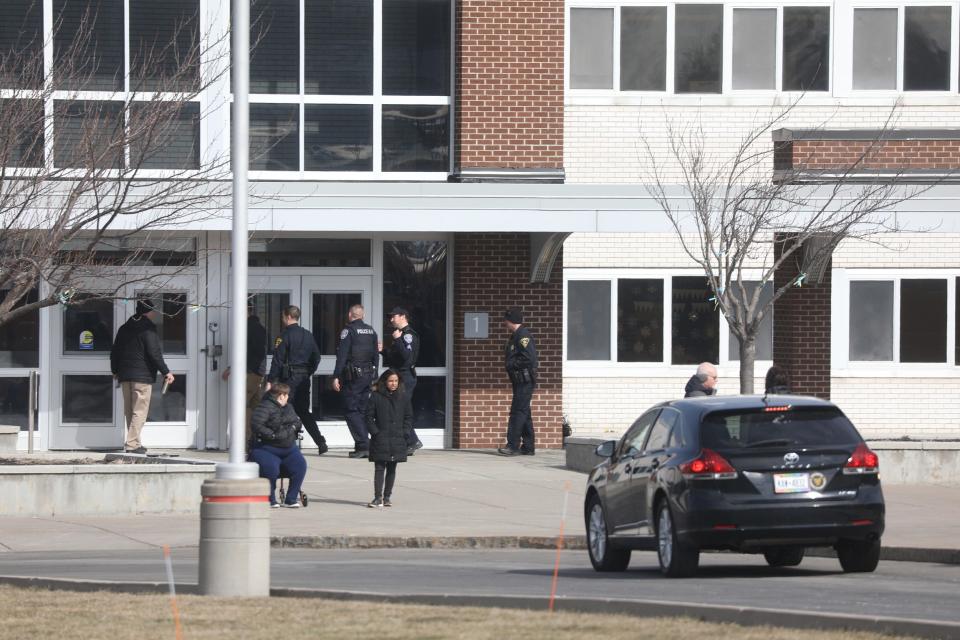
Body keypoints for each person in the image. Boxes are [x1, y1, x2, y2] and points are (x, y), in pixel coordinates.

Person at [110, 300, 175, 454]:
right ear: (149, 312)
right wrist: (166, 371)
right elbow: (154, 353)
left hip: (125, 375)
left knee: (130, 410)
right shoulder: (148, 329)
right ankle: (132, 444)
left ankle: (136, 442)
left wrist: (115, 370)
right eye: (153, 311)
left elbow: (115, 352)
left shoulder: (124, 328)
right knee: (139, 411)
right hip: (142, 376)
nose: (155, 314)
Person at [266, 305, 327, 454]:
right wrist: (308, 372)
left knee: (285, 411)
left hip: (288, 380)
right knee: (304, 411)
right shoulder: (308, 335)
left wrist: (270, 380)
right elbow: (316, 357)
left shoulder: (284, 336)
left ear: (287, 317)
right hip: (303, 378)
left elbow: (278, 360)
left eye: (282, 317)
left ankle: (288, 443)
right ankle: (320, 442)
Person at [249, 383, 307, 508]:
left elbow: (297, 422)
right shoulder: (264, 407)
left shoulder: (289, 407)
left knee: (300, 465)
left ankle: (291, 499)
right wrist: (272, 435)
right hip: (267, 448)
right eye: (286, 395)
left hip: (288, 448)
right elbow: (256, 425)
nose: (288, 397)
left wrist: (291, 428)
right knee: (270, 469)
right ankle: (270, 499)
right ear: (281, 396)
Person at [333, 304, 379, 458]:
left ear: (350, 314)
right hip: (367, 376)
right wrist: (375, 375)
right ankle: (363, 445)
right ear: (362, 315)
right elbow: (376, 355)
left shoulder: (349, 331)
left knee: (350, 409)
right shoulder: (371, 331)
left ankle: (363, 445)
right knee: (362, 410)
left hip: (353, 378)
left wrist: (336, 376)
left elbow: (342, 356)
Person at [221, 305, 268, 448]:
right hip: (254, 372)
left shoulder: (251, 328)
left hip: (252, 373)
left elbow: (255, 353)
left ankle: (245, 442)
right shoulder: (253, 327)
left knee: (242, 406)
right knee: (254, 407)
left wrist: (247, 369)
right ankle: (254, 440)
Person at [365, 369, 412, 508]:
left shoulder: (403, 397)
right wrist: (375, 432)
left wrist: (405, 432)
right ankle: (377, 497)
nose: (393, 384)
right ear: (385, 381)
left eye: (396, 381)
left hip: (397, 438)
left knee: (392, 468)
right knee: (379, 468)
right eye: (391, 381)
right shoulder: (376, 396)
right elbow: (368, 417)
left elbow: (408, 417)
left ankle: (387, 497)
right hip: (381, 438)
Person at [379, 306, 422, 455]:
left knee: (400, 410)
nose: (391, 320)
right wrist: (383, 351)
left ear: (403, 316)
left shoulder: (408, 335)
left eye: (394, 316)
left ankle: (412, 441)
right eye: (390, 317)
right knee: (398, 409)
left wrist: (398, 340)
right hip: (399, 376)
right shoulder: (401, 334)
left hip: (405, 377)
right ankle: (410, 440)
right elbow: (395, 358)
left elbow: (407, 358)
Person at [498, 307, 538, 456]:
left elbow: (529, 358)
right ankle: (528, 446)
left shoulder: (523, 336)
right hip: (519, 380)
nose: (504, 324)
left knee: (517, 412)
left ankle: (512, 445)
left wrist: (511, 364)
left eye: (506, 321)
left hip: (524, 381)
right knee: (524, 412)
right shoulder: (515, 336)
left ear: (511, 321)